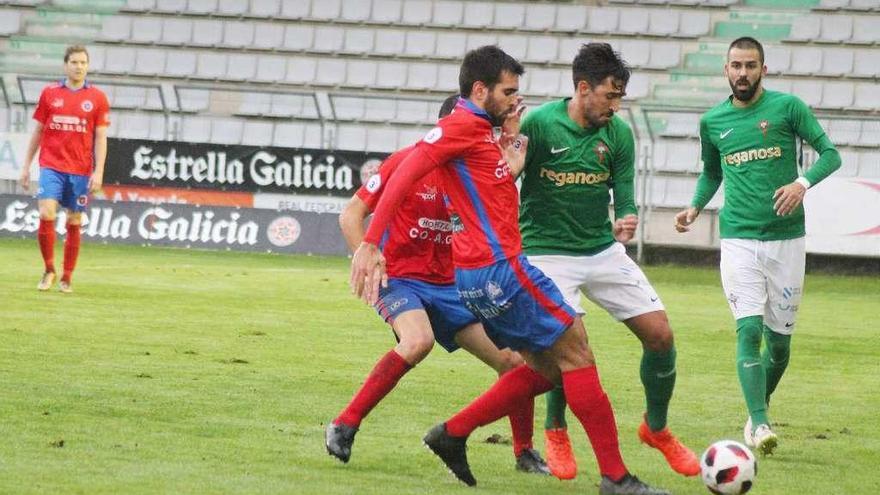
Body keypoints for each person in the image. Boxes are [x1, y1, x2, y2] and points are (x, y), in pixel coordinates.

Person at [350, 45, 668, 495]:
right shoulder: (458, 125)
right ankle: (616, 478)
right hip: (500, 269)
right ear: (480, 90)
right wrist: (369, 242)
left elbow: (491, 186)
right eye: (508, 91)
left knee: (548, 368)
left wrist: (512, 152)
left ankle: (454, 433)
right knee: (577, 353)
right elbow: (406, 172)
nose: (515, 100)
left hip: (479, 277)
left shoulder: (481, 132)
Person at [326, 95, 549, 475]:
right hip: (400, 280)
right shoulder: (406, 161)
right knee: (418, 341)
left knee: (512, 361)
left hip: (453, 286)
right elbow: (352, 215)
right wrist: (367, 256)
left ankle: (525, 452)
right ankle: (345, 423)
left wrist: (509, 172)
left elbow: (496, 220)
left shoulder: (479, 167)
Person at [514, 42, 699, 480]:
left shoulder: (617, 133)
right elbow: (505, 178)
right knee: (569, 348)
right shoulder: (538, 125)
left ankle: (656, 428)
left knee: (660, 334)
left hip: (600, 249)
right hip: (544, 254)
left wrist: (629, 214)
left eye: (620, 97)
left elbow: (625, 191)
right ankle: (555, 429)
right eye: (610, 95)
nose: (616, 106)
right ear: (583, 88)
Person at [674, 37, 840, 456]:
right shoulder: (713, 121)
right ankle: (762, 425)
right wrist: (695, 207)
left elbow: (830, 155)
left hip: (786, 240)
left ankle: (756, 411)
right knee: (748, 329)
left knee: (779, 345)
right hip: (739, 240)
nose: (742, 73)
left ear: (763, 69)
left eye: (750, 65)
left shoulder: (788, 108)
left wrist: (801, 184)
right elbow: (712, 173)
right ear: (725, 70)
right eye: (735, 65)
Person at [18, 45, 110, 293]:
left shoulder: (97, 98)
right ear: (65, 65)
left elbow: (100, 137)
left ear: (87, 66)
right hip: (51, 165)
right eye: (74, 62)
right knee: (47, 212)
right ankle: (49, 269)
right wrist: (26, 165)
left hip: (80, 168)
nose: (79, 67)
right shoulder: (50, 94)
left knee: (74, 219)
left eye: (83, 63)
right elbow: (38, 131)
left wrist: (98, 171)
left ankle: (67, 276)